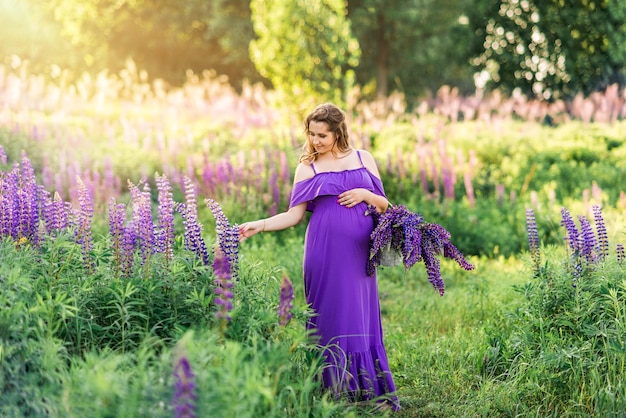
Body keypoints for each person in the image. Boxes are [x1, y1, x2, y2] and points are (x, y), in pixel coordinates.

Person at [238, 103, 400, 411]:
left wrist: (364, 195)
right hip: (324, 252)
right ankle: (333, 394)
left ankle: (370, 393)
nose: (316, 141)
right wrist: (260, 225)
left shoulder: (364, 158)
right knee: (331, 316)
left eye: (322, 135)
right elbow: (293, 215)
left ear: (338, 132)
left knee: (360, 317)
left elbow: (386, 206)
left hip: (360, 254)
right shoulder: (307, 167)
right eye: (311, 134)